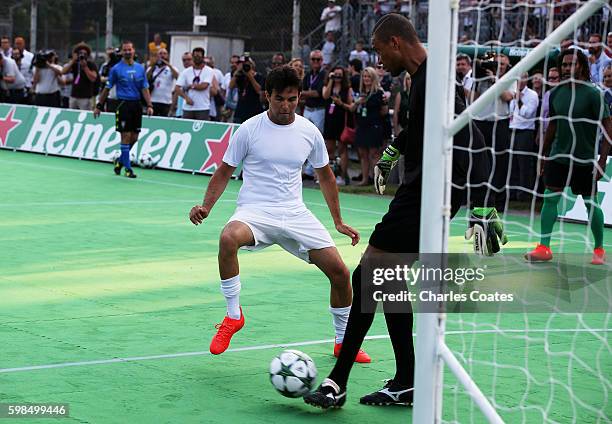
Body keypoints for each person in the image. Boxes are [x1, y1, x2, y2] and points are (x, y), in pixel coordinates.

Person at [304, 13, 496, 409]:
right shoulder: (422, 78)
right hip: (419, 190)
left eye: (378, 51)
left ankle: (339, 381)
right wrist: (392, 152)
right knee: (384, 277)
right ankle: (406, 381)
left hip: (432, 193)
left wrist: (483, 214)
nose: (377, 62)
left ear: (395, 42)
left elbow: (469, 138)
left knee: (370, 271)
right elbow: (420, 130)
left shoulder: (437, 79)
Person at [188, 65, 371, 363]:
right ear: (267, 96)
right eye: (279, 99)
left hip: (295, 213)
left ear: (299, 97)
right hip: (255, 210)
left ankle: (342, 342)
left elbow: (325, 177)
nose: (285, 106)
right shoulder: (248, 129)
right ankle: (233, 316)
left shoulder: (309, 131)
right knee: (227, 238)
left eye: (291, 99)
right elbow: (224, 172)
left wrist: (337, 221)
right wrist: (206, 206)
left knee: (340, 273)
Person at [525, 49, 611, 265]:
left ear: (582, 66)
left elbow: (608, 129)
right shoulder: (556, 93)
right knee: (550, 197)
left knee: (591, 203)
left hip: (584, 159)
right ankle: (544, 247)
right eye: (563, 65)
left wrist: (601, 162)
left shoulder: (593, 94)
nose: (566, 68)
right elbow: (553, 125)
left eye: (571, 64)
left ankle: (599, 249)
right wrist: (543, 156)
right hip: (558, 156)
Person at [94, 40, 154, 179]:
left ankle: (120, 162)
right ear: (121, 52)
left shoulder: (140, 68)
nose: (127, 52)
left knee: (134, 137)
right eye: (125, 50)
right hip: (123, 105)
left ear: (134, 51)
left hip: (136, 105)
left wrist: (149, 105)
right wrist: (99, 106)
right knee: (125, 136)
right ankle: (128, 169)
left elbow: (144, 88)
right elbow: (107, 88)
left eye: (129, 49)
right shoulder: (116, 69)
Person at [470, 53, 516, 213]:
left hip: (499, 123)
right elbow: (472, 100)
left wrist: (494, 80)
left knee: (500, 163)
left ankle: (499, 202)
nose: (499, 66)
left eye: (502, 64)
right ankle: (478, 199)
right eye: (496, 63)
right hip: (480, 122)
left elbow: (508, 97)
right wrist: (478, 82)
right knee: (479, 162)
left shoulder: (510, 78)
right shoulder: (481, 78)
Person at [352, 67, 387, 186]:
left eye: (369, 77)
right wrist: (358, 102)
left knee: (374, 154)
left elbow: (384, 111)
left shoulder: (379, 92)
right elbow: (353, 108)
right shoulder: (361, 93)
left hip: (374, 126)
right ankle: (365, 179)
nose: (366, 79)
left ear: (373, 78)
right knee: (363, 154)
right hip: (362, 126)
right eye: (365, 76)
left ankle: (378, 181)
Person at [509, 72, 539, 203]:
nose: (520, 81)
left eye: (522, 78)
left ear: (527, 79)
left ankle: (524, 194)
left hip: (525, 132)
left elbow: (527, 114)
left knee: (524, 164)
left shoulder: (532, 95)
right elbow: (511, 112)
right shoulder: (513, 92)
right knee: (513, 163)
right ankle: (512, 193)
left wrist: (519, 100)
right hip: (512, 130)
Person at [322, 65, 354, 186]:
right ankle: (329, 176)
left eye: (340, 75)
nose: (338, 78)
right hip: (330, 120)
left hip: (341, 120)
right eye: (336, 75)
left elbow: (351, 106)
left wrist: (341, 103)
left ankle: (342, 175)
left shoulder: (347, 89)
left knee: (342, 149)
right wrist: (330, 80)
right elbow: (325, 95)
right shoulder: (328, 85)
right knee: (329, 149)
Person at [175, 47, 214, 121]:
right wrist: (186, 98)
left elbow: (204, 86)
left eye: (199, 56)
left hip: (203, 107)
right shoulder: (186, 72)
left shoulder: (209, 71)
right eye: (195, 56)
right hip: (188, 107)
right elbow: (177, 88)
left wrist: (191, 86)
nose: (197, 58)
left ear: (203, 57)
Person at [62, 43, 99, 110]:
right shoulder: (75, 63)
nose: (82, 55)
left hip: (86, 97)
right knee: (72, 115)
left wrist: (85, 67)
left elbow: (93, 78)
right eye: (80, 53)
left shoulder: (91, 64)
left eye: (85, 54)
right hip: (74, 95)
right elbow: (63, 72)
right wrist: (73, 60)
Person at [230, 54, 264, 124]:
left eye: (246, 64)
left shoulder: (258, 76)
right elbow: (231, 86)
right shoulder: (239, 76)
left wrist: (250, 75)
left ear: (251, 65)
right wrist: (236, 73)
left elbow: (259, 90)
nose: (244, 66)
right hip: (240, 111)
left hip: (254, 112)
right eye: (241, 64)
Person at [146, 47, 178, 117]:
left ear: (168, 55)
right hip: (153, 101)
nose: (162, 55)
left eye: (164, 53)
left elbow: (178, 77)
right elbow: (146, 78)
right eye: (160, 53)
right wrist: (152, 65)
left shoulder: (171, 68)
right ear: (157, 56)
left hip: (166, 102)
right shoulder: (152, 68)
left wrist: (168, 65)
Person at [171, 52, 193, 118]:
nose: (186, 62)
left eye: (189, 59)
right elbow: (176, 91)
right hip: (180, 110)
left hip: (192, 109)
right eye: (184, 60)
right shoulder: (182, 74)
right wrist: (172, 109)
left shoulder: (196, 73)